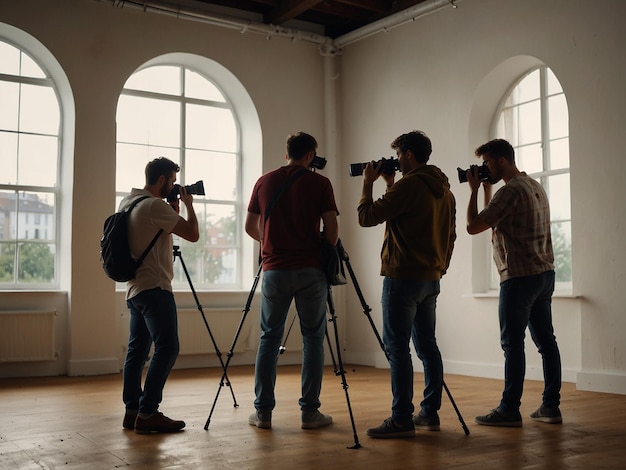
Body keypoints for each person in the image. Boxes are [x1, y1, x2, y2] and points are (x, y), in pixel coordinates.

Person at [358, 130, 456, 439]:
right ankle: (429, 413)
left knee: (397, 348)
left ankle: (401, 418)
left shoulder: (410, 186)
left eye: (399, 156)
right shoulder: (444, 189)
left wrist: (368, 183)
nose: (397, 162)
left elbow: (367, 217)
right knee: (428, 346)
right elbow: (450, 234)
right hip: (430, 278)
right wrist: (390, 184)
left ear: (409, 154)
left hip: (402, 278)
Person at [245, 131, 339, 430]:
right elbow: (332, 230)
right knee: (313, 339)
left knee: (269, 339)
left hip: (274, 270)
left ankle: (263, 413)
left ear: (287, 153)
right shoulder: (320, 183)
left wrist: (273, 242)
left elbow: (250, 226)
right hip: (311, 270)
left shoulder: (264, 181)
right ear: (310, 155)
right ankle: (310, 413)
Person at [465, 138, 562, 427]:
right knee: (547, 342)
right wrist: (486, 190)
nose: (484, 168)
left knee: (512, 345)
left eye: (487, 163)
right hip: (544, 275)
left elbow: (473, 226)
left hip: (519, 278)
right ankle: (550, 407)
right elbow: (493, 218)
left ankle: (509, 409)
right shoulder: (533, 186)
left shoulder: (510, 192)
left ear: (501, 161)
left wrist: (472, 191)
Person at [121, 157, 199, 434]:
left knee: (137, 351)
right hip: (155, 288)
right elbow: (192, 234)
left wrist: (173, 209)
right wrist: (189, 207)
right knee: (168, 347)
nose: (175, 186)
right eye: (173, 181)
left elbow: (155, 234)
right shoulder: (154, 205)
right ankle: (148, 412)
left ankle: (132, 411)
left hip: (134, 288)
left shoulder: (129, 202)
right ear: (163, 180)